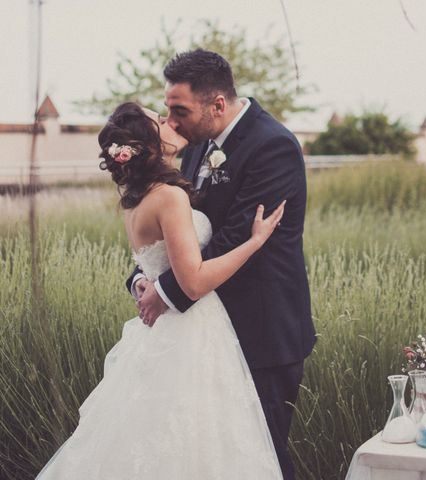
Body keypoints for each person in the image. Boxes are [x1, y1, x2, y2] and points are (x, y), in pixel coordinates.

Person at [37, 102, 285, 478]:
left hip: (162, 330)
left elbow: (153, 263)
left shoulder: (136, 199)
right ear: (149, 145)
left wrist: (141, 282)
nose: (171, 122)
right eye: (161, 121)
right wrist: (254, 242)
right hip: (191, 330)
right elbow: (195, 281)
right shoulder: (169, 196)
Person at [129, 49, 316, 480]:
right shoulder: (196, 147)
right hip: (201, 337)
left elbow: (237, 241)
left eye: (180, 111)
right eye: (167, 110)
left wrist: (167, 292)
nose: (171, 123)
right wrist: (144, 279)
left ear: (217, 105)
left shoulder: (273, 146)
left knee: (260, 458)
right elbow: (174, 233)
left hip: (261, 334)